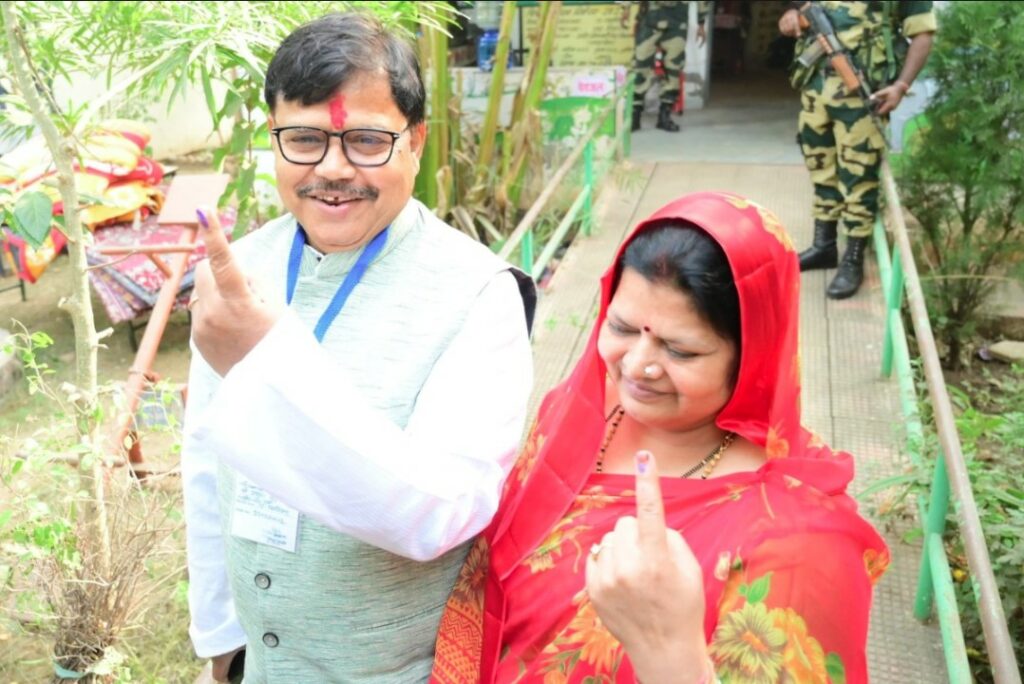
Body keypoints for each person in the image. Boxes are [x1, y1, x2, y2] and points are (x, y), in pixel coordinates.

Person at [181, 12, 536, 683]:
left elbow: (441, 511)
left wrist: (269, 365)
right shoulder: (239, 269)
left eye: (368, 141)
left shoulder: (481, 296)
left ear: (416, 142)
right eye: (305, 140)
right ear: (273, 139)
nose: (334, 169)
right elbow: (205, 464)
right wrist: (221, 638)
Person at [430, 192, 890, 683]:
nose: (636, 366)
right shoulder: (581, 411)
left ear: (753, 355)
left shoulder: (799, 546)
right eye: (623, 327)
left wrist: (668, 652)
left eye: (680, 350)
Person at [780, 1, 936, 299]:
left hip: (863, 93)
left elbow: (923, 34)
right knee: (819, 165)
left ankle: (853, 258)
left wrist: (901, 86)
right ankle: (824, 245)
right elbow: (797, 9)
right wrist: (791, 17)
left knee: (859, 175)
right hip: (816, 85)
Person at [621, 1, 709, 133]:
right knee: (640, 66)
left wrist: (701, 22)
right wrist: (626, 8)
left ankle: (665, 115)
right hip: (650, 19)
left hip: (677, 21)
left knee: (673, 68)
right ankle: (634, 115)